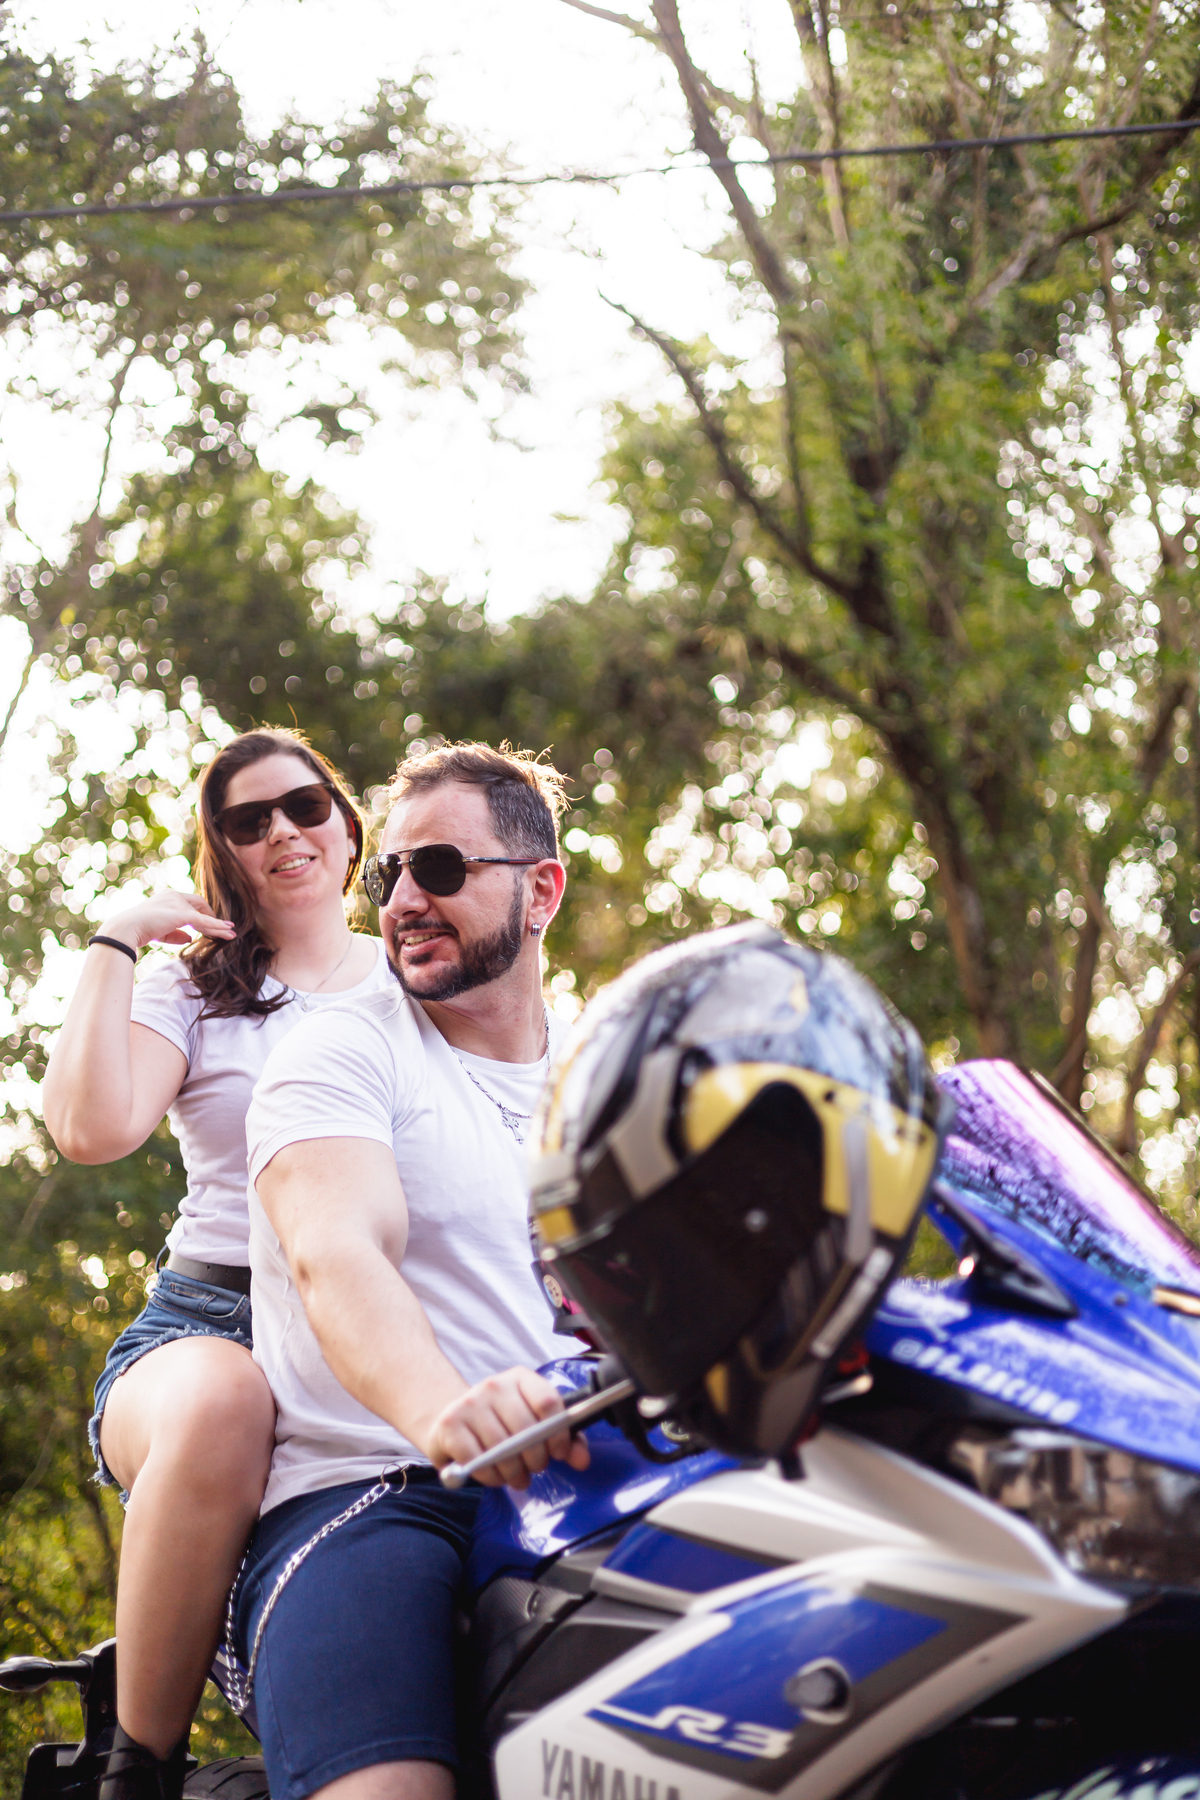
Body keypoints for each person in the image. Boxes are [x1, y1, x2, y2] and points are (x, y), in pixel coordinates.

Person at [42, 727, 394, 1800]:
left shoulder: (414, 979)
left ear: (344, 826)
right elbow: (90, 1129)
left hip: (375, 1320)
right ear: (224, 852)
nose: (284, 830)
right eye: (249, 820)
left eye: (304, 805)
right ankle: (137, 1765)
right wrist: (118, 941)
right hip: (213, 1320)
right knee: (222, 1403)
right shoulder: (197, 991)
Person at [236, 741, 587, 1800]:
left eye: (440, 871)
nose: (404, 901)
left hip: (589, 1484)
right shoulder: (340, 1050)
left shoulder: (603, 1076)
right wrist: (448, 1411)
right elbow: (334, 1251)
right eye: (391, 875)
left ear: (542, 891)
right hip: (379, 1490)